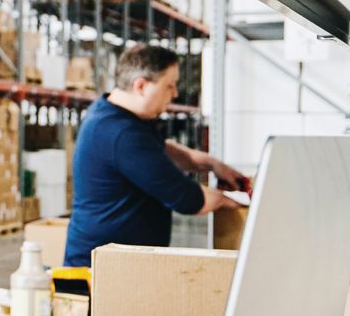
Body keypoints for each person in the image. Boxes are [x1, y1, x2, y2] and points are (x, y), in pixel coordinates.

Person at [62, 45, 249, 267]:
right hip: (100, 271)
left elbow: (159, 149)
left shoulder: (115, 114)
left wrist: (211, 164)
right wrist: (234, 202)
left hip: (118, 264)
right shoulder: (120, 134)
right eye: (169, 85)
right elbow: (190, 200)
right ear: (141, 86)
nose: (175, 93)